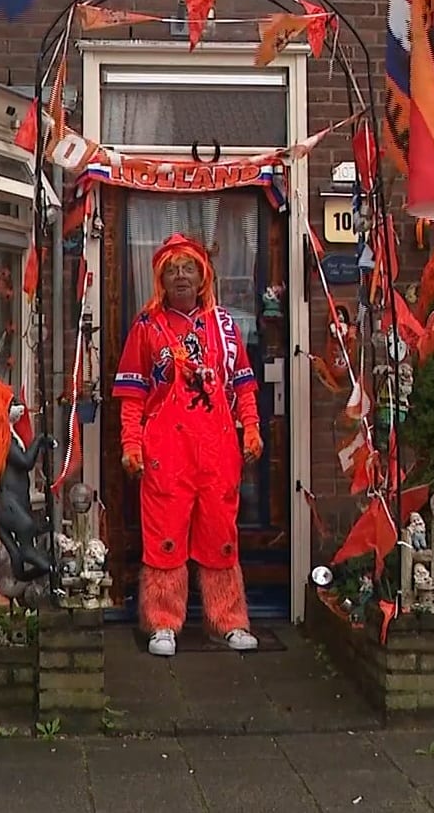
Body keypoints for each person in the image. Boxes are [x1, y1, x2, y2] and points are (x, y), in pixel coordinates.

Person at [113, 233, 263, 656]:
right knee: (164, 537)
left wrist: (250, 428)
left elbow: (245, 386)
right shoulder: (146, 328)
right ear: (161, 279)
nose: (181, 276)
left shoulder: (225, 328)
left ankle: (228, 621)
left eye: (188, 269)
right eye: (172, 270)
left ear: (203, 277)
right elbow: (132, 395)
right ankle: (162, 623)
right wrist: (132, 444)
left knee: (221, 535)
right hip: (166, 451)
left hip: (217, 450)